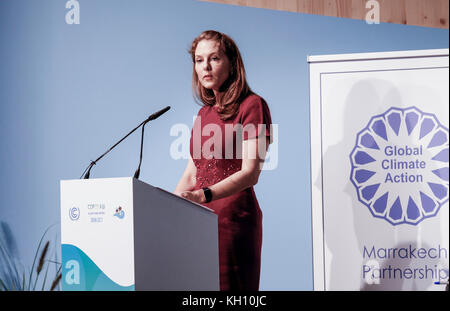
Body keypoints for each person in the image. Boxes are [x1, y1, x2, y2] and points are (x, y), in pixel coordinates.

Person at [174, 30, 272, 291]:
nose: (205, 67)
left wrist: (203, 196)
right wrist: (168, 208)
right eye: (198, 60)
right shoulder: (203, 114)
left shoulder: (253, 105)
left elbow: (251, 172)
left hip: (232, 223)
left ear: (231, 62)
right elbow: (192, 173)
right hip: (196, 221)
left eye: (214, 58)